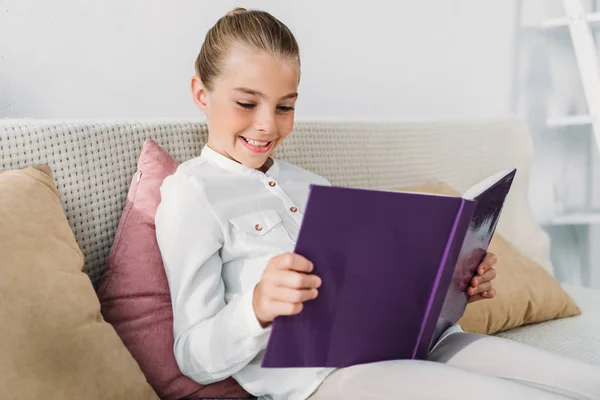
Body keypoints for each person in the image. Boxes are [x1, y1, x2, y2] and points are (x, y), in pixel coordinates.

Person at [155, 7, 600, 400]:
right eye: (247, 103)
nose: (268, 124)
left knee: (586, 381)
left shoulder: (310, 184)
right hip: (326, 378)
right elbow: (192, 356)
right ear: (201, 94)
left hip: (421, 344)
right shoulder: (192, 193)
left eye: (285, 106)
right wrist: (256, 306)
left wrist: (453, 281)